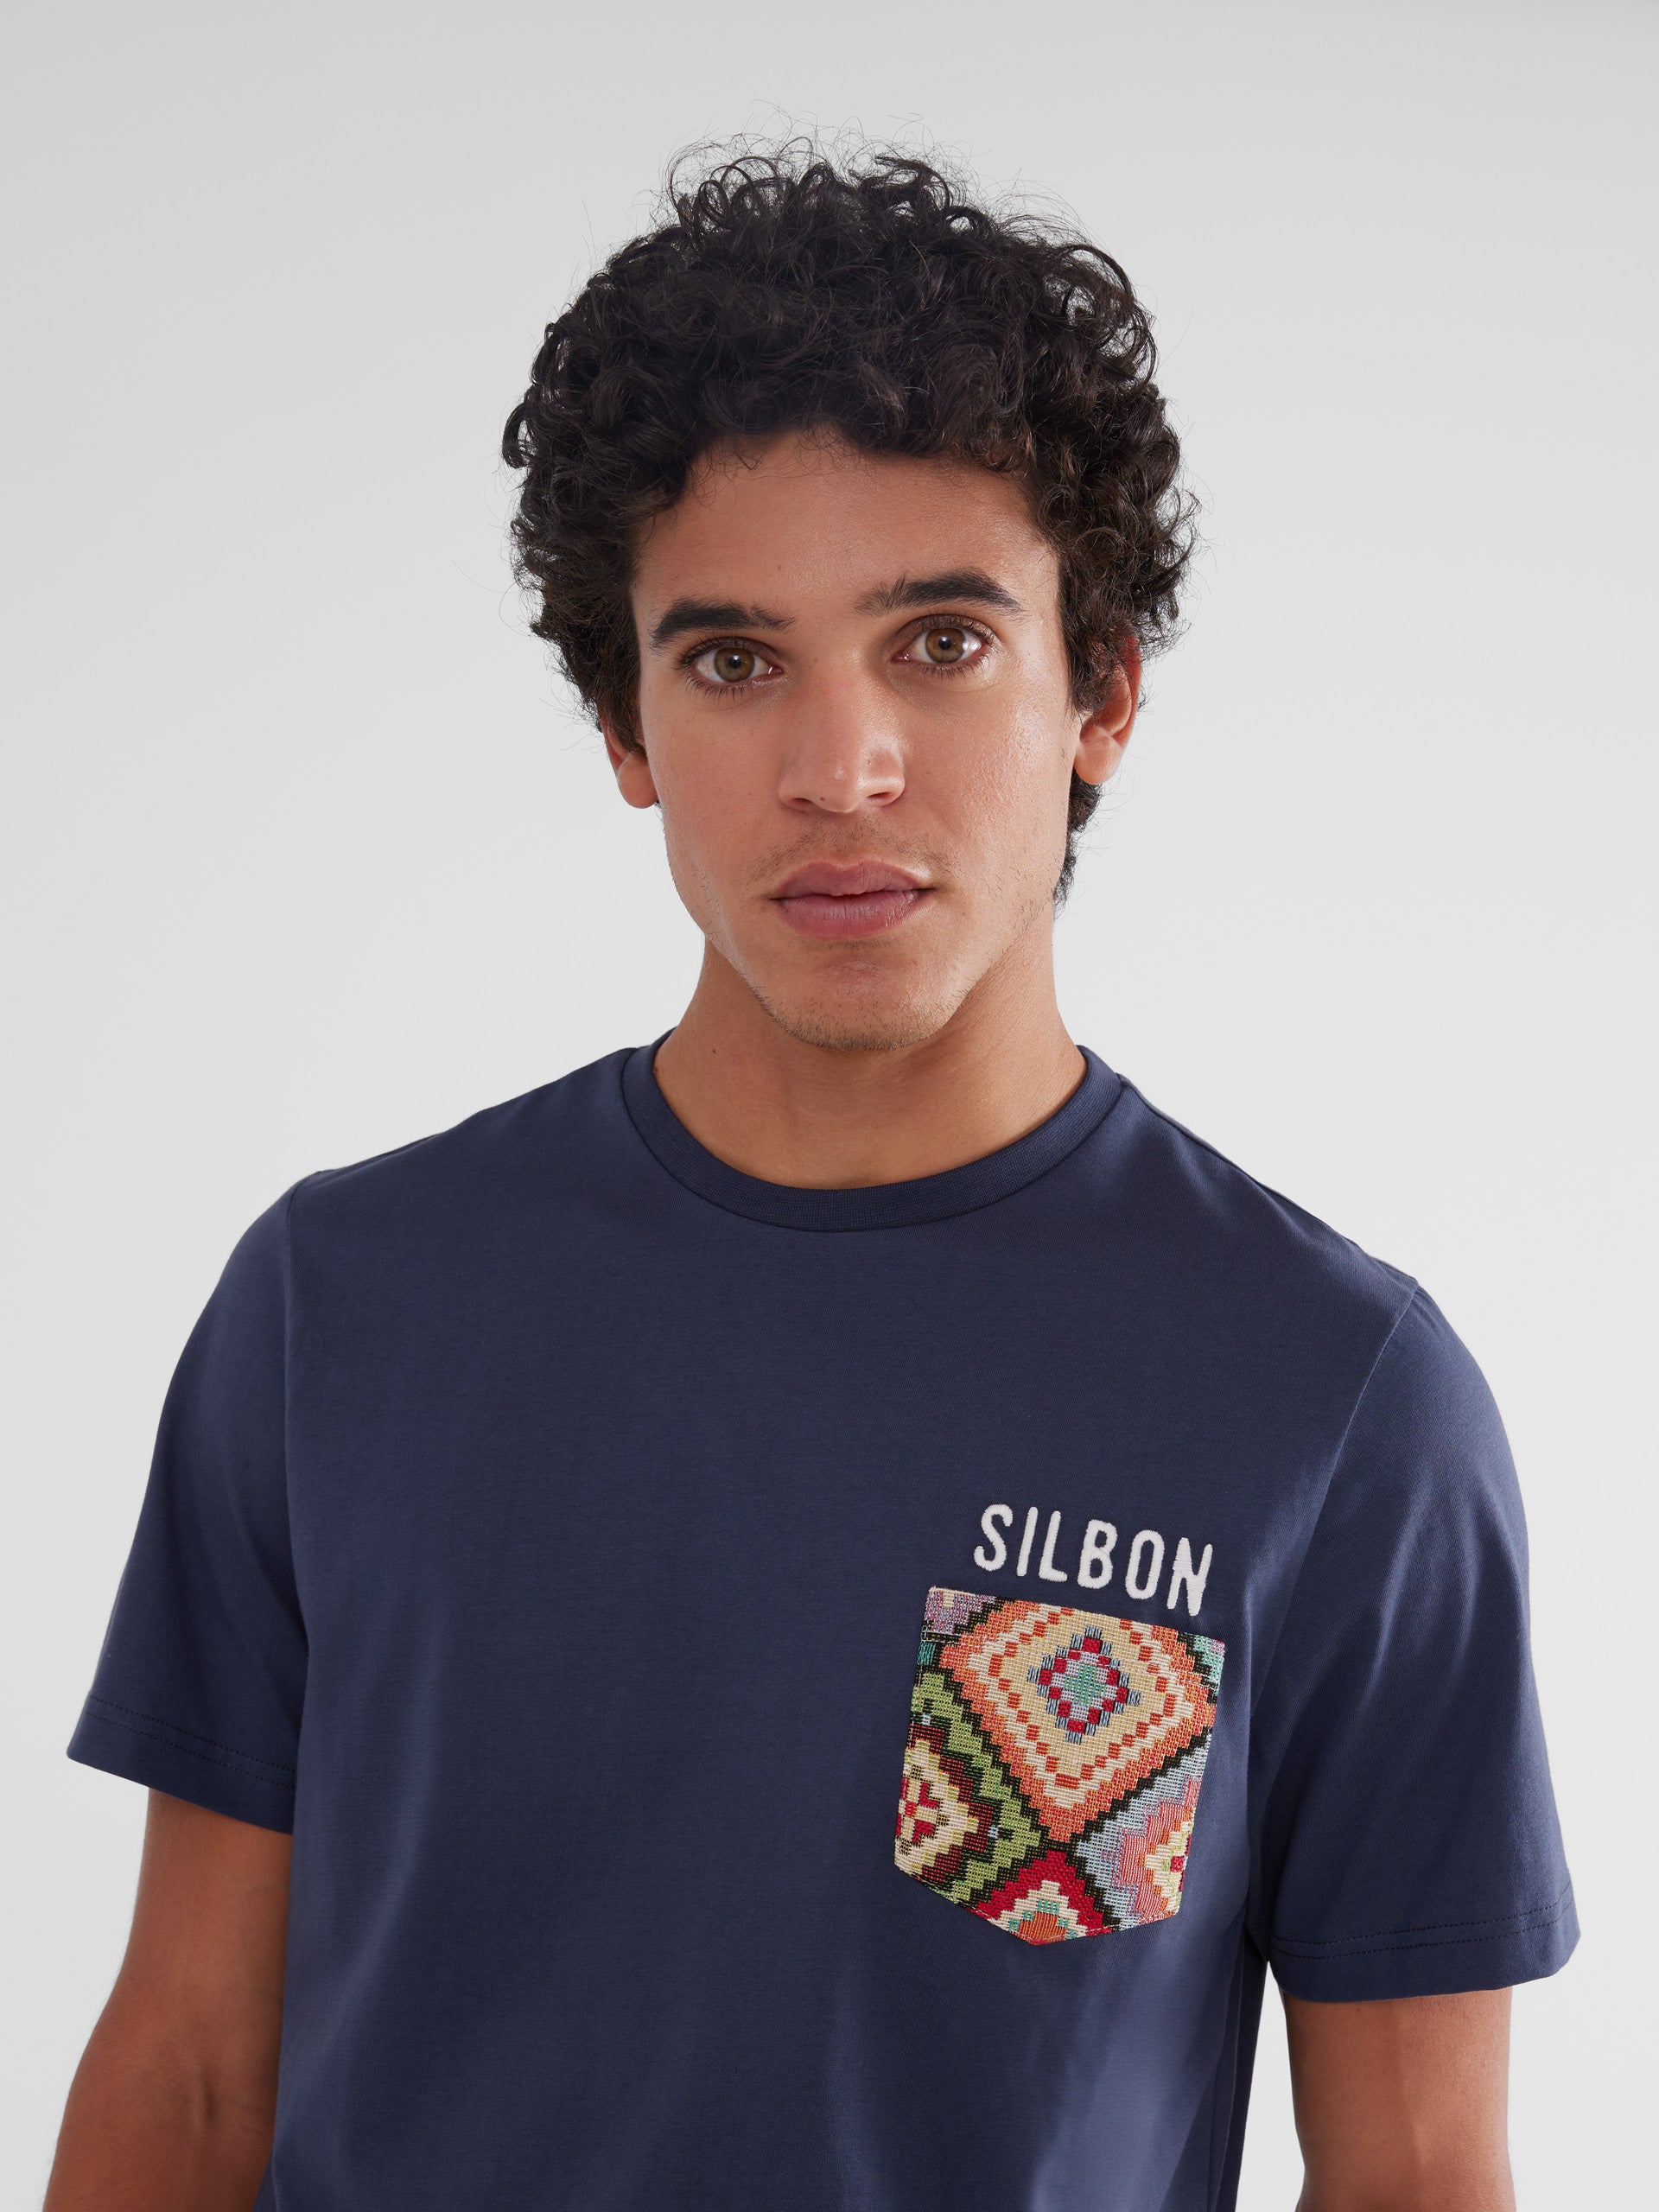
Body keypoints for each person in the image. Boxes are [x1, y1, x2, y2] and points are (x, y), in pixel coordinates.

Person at [47, 147, 1576, 2212]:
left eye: (940, 640)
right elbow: (187, 2078)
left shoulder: (1340, 1401)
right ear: (626, 725)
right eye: (735, 660)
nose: (840, 767)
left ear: (1102, 691)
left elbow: (1416, 2172)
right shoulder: (340, 1305)